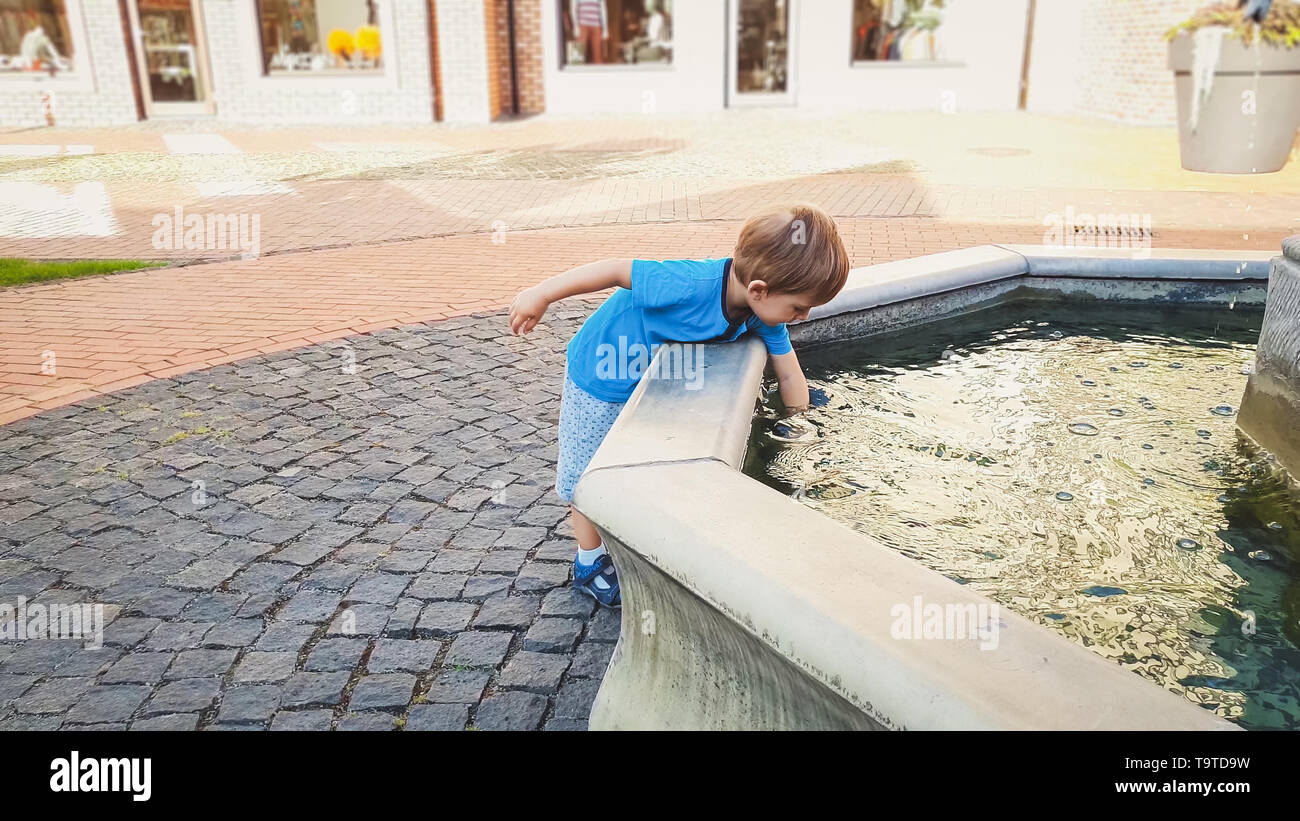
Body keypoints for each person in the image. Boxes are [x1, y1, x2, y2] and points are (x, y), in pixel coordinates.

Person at [507, 205, 851, 607]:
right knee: (586, 473)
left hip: (649, 380)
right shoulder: (688, 283)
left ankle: (625, 534)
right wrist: (542, 294)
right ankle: (588, 563)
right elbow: (617, 270)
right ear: (759, 290)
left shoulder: (763, 313)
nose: (803, 316)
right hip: (601, 375)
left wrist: (799, 423)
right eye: (799, 307)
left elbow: (789, 373)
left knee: (630, 463)